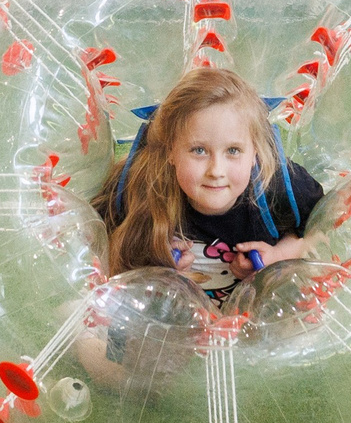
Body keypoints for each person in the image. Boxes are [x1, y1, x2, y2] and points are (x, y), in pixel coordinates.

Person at [93, 67, 323, 301]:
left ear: (255, 151)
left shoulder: (280, 186)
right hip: (176, 318)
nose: (216, 171)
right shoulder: (143, 184)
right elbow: (98, 249)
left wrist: (277, 256)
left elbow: (323, 233)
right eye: (199, 150)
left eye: (233, 151)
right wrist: (156, 267)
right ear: (171, 150)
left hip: (252, 315)